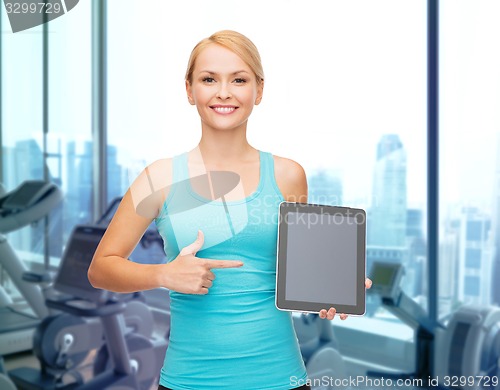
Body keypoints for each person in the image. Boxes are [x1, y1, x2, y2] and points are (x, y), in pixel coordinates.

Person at [88, 30, 372, 390]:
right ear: (190, 90)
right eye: (209, 79)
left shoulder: (288, 176)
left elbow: (297, 274)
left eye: (239, 79)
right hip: (188, 380)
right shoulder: (158, 177)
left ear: (259, 90)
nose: (224, 92)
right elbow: (101, 268)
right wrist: (164, 275)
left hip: (280, 378)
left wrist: (329, 291)